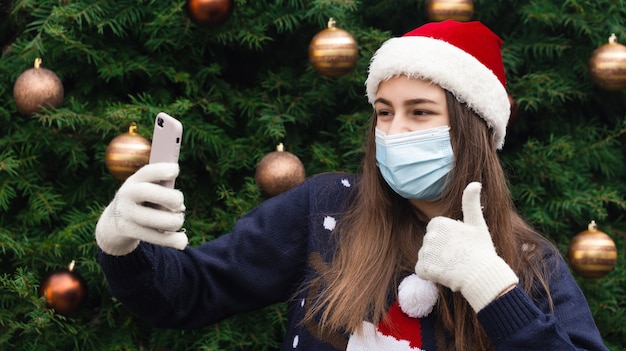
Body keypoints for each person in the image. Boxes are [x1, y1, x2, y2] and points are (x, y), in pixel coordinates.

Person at [96, 20, 609, 351]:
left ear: (473, 131)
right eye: (384, 113)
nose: (394, 131)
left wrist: (493, 290)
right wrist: (121, 243)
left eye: (420, 112)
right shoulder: (327, 207)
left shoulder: (528, 258)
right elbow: (188, 292)